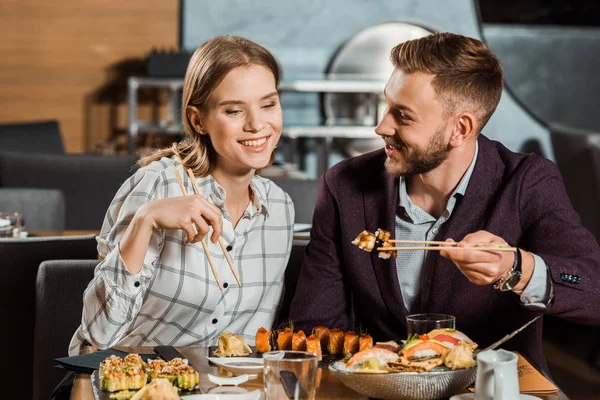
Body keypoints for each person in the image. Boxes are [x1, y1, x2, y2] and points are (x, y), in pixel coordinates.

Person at [289, 32, 600, 373]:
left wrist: (516, 269)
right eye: (386, 106)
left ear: (460, 129)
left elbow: (593, 290)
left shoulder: (527, 182)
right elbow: (314, 325)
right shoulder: (344, 186)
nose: (381, 127)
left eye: (403, 116)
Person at [69, 36, 294, 355]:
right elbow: (98, 334)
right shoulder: (158, 183)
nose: (257, 124)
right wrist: (145, 220)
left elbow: (252, 344)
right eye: (233, 111)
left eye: (268, 104)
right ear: (197, 120)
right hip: (130, 381)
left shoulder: (280, 209)